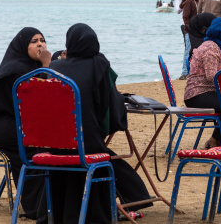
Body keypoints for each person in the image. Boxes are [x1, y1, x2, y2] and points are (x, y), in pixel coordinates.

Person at [49, 23, 152, 223]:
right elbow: (112, 107)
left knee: (86, 149)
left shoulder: (53, 68)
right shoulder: (98, 63)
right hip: (86, 144)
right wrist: (117, 121)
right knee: (101, 154)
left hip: (54, 146)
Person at [0, 27, 51, 220]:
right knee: (33, 146)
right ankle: (36, 207)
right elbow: (36, 101)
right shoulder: (16, 70)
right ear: (22, 46)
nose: (40, 44)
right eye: (34, 41)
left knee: (43, 143)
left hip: (20, 122)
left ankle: (42, 204)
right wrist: (47, 66)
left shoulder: (32, 67)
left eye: (42, 40)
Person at [184, 18, 221, 148]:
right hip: (198, 94)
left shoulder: (215, 45)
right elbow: (211, 76)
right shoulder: (211, 48)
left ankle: (219, 140)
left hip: (206, 92)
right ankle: (220, 141)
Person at [180, 0, 203, 65]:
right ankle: (184, 73)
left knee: (195, 52)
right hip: (190, 31)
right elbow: (185, 16)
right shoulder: (189, 1)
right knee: (188, 51)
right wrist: (189, 28)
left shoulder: (197, 0)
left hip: (196, 32)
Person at [175, 0, 192, 79]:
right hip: (185, 24)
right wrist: (185, 0)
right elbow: (177, 10)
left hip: (195, 23)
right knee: (187, 48)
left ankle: (191, 71)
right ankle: (184, 72)